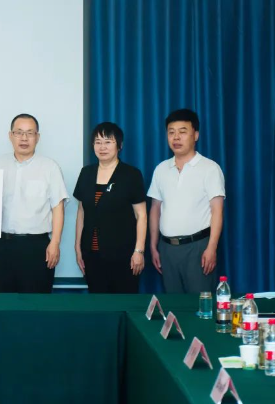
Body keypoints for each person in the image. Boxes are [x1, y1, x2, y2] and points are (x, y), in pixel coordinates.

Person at [0, 113, 68, 293]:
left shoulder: (50, 167)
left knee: (36, 303)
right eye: (19, 132)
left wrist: (55, 243)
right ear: (10, 135)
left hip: (37, 248)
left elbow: (58, 208)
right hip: (3, 246)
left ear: (38, 137)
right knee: (2, 303)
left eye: (30, 133)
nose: (24, 138)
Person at [148, 109, 225, 293]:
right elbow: (155, 209)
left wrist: (211, 248)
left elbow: (217, 211)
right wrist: (153, 245)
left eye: (182, 132)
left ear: (195, 135)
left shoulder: (210, 168)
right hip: (167, 248)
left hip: (198, 247)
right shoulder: (161, 169)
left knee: (200, 303)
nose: (176, 137)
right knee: (173, 304)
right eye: (171, 132)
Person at [73, 122, 147, 293]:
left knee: (124, 302)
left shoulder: (131, 174)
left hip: (124, 254)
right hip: (91, 254)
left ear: (119, 145)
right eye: (98, 142)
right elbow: (81, 212)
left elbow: (141, 215)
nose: (102, 147)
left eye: (108, 142)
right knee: (98, 302)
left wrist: (139, 251)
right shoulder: (86, 173)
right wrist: (77, 247)